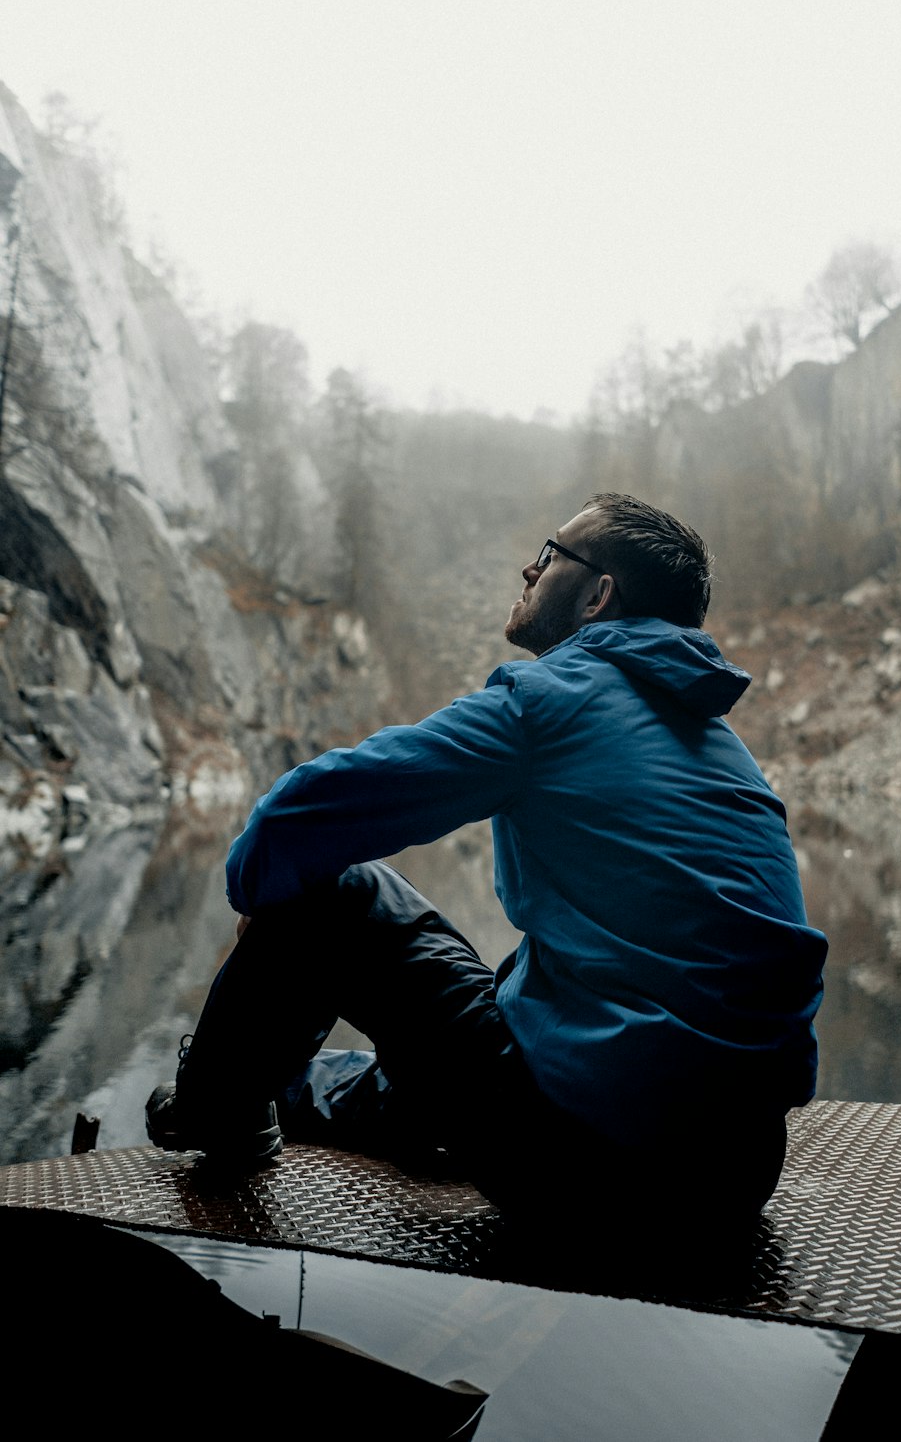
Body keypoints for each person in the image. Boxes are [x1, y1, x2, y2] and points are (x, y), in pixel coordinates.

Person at [147, 493, 827, 1260]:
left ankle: (215, 1112)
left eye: (551, 552)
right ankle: (299, 1090)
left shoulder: (552, 701)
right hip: (732, 1177)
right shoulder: (721, 746)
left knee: (342, 893)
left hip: (586, 1170)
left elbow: (298, 817)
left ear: (598, 595)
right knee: (503, 1013)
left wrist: (266, 901)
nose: (530, 566)